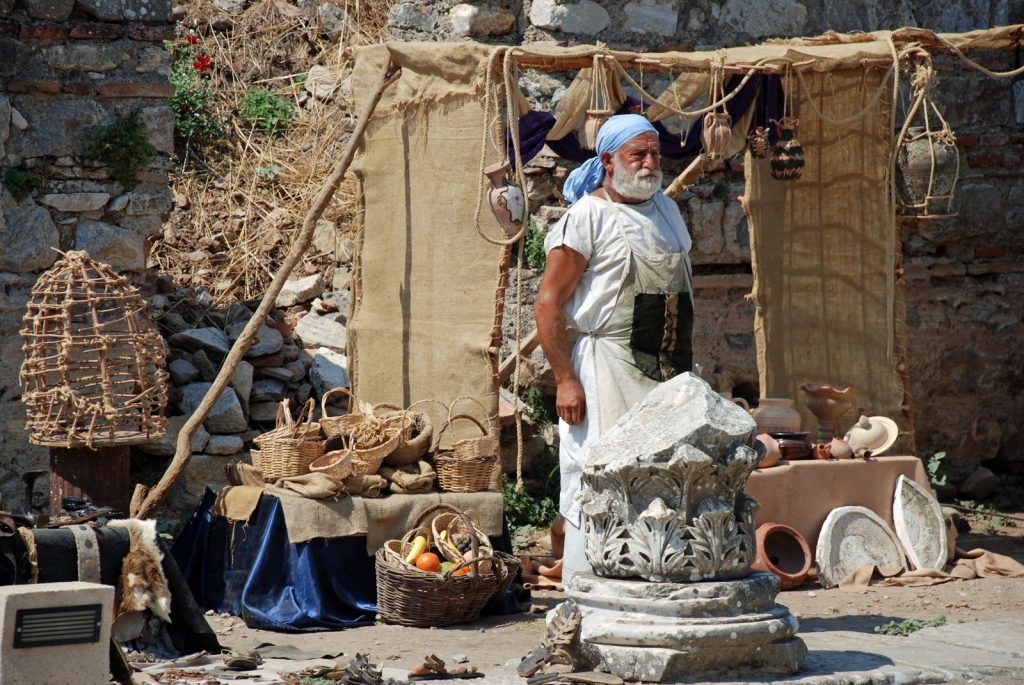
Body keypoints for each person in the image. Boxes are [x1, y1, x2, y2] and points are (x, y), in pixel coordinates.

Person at [534, 114, 694, 580]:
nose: (649, 164)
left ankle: (658, 576)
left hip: (667, 372)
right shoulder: (588, 216)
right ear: (608, 161)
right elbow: (547, 304)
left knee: (665, 473)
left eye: (654, 154)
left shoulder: (667, 209)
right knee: (602, 476)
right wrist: (565, 379)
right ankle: (594, 586)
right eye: (637, 155)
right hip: (606, 372)